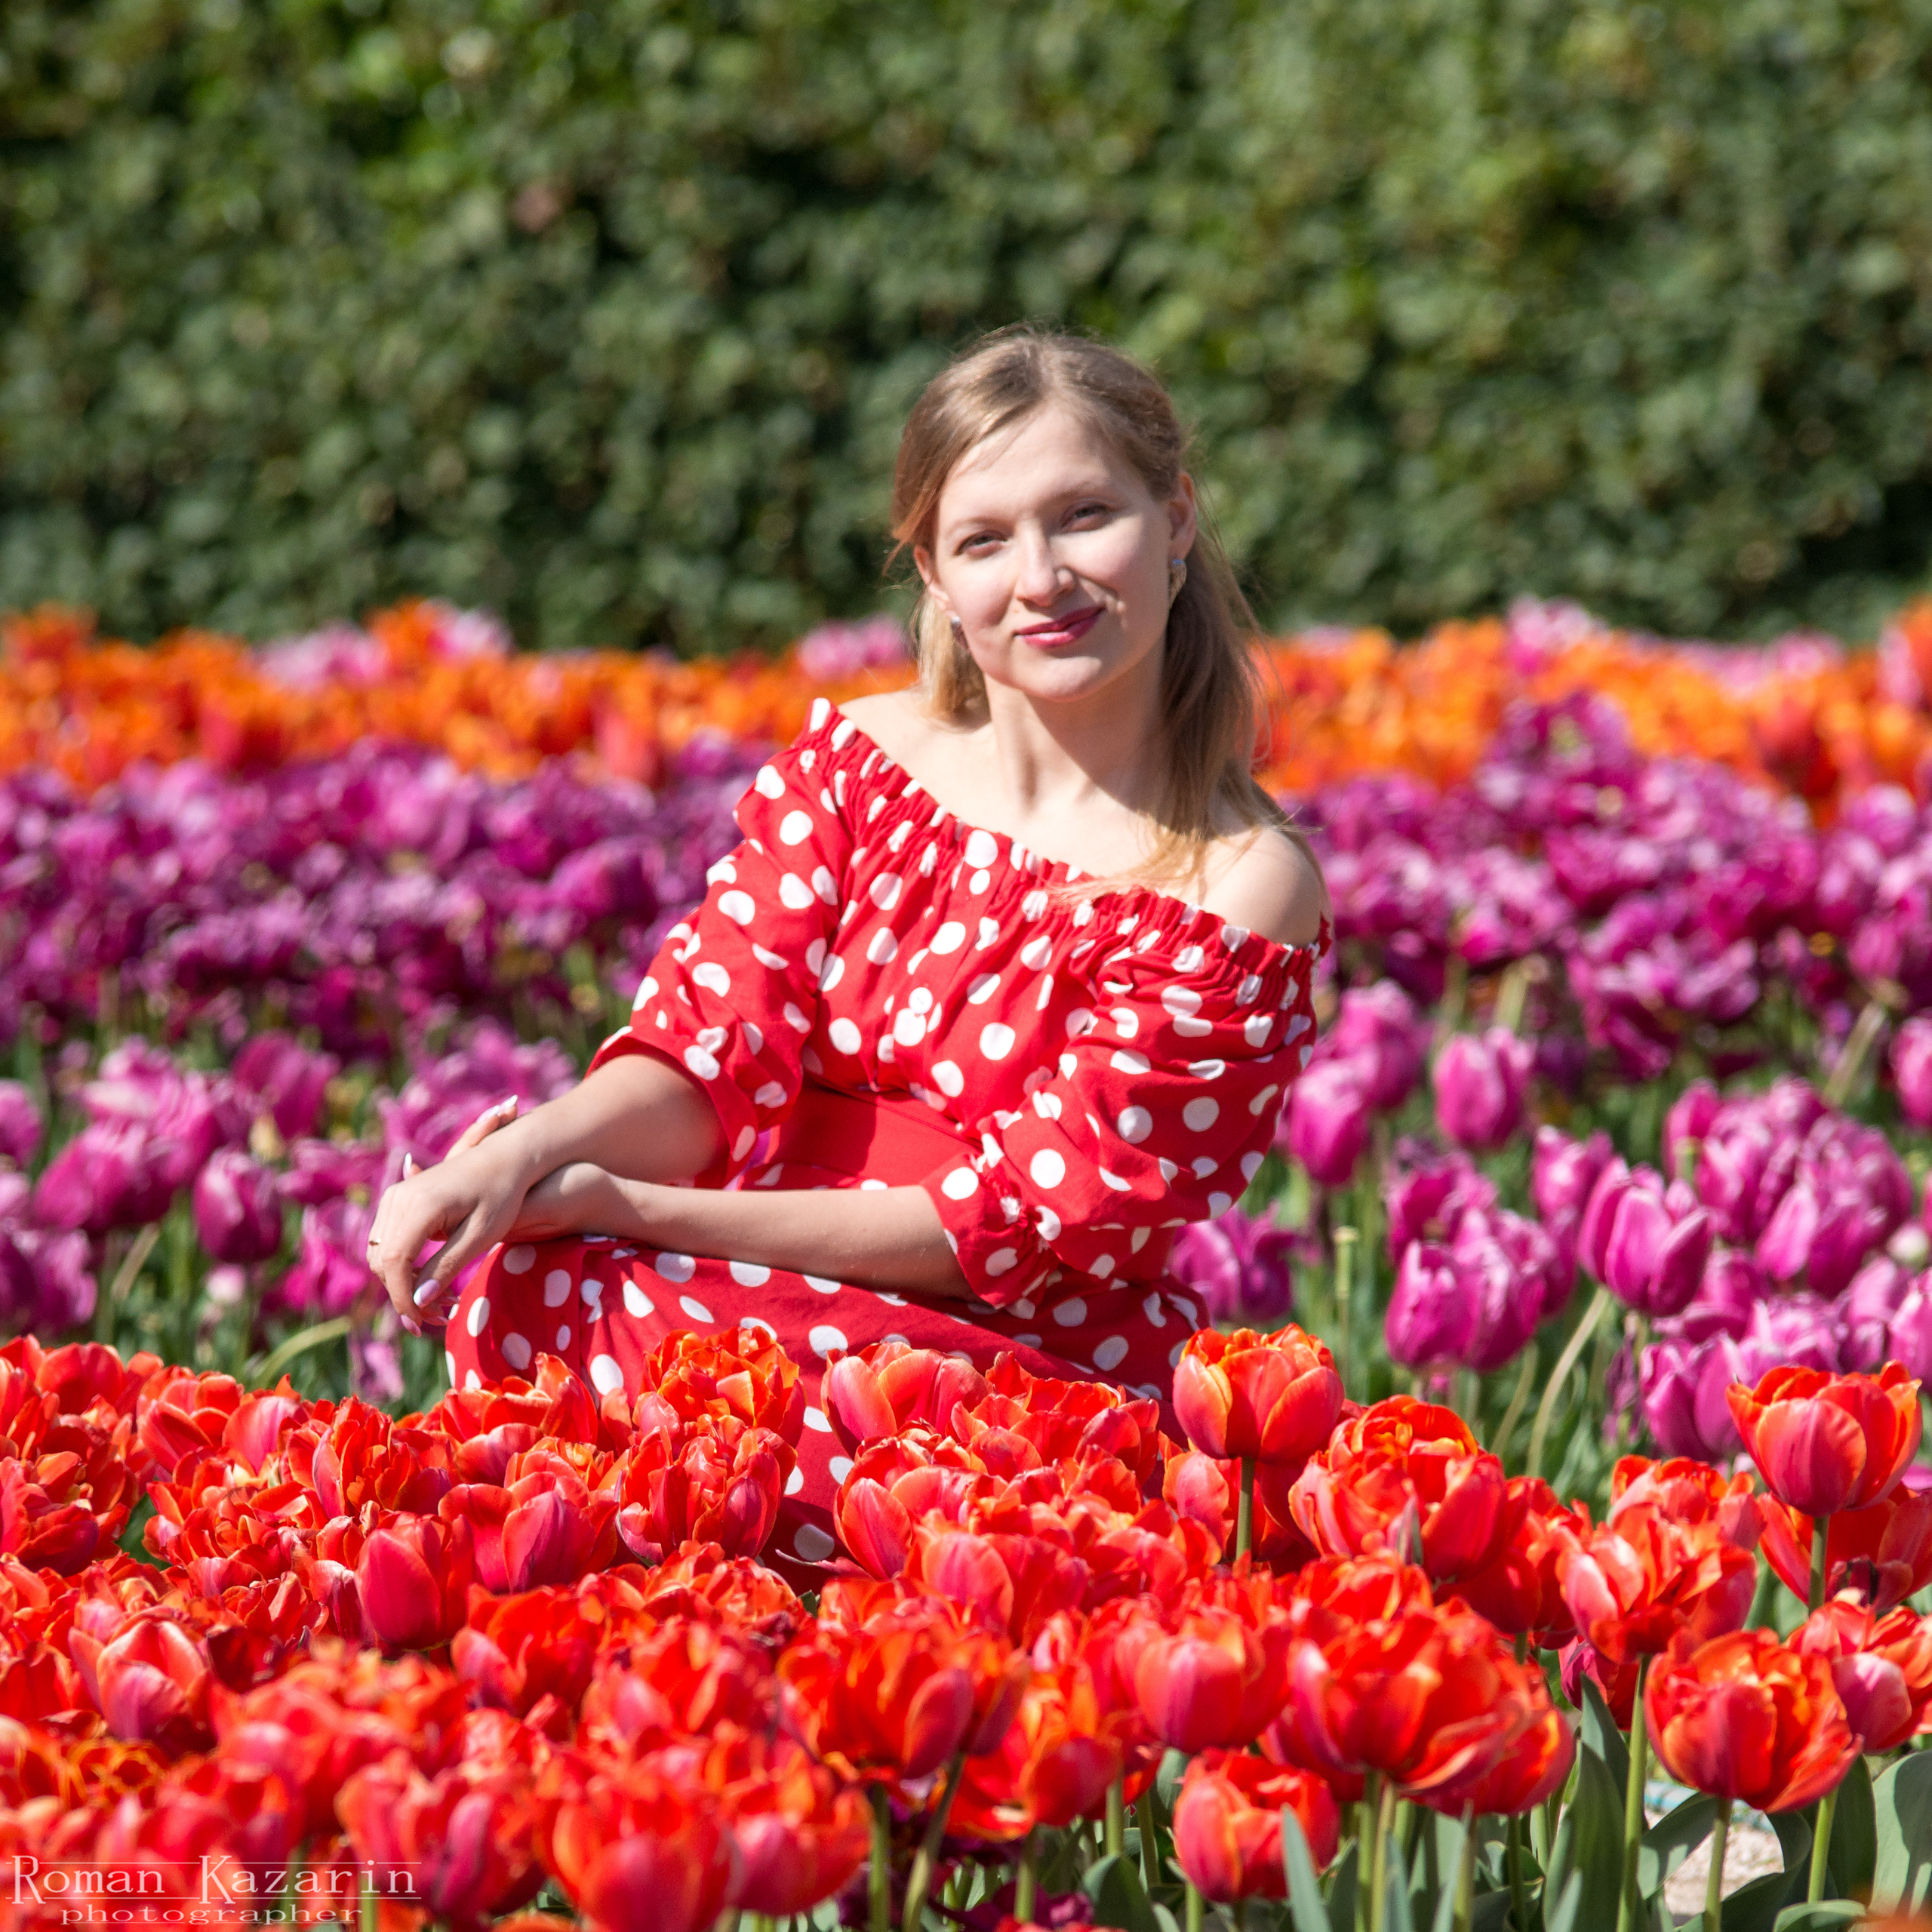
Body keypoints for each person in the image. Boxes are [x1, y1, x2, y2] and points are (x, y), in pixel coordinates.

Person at [366, 325, 1331, 1576]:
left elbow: (1013, 1230)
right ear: (933, 575)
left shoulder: (1240, 883)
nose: (1042, 578)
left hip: (1012, 1358)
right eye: (985, 540)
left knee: (710, 1360)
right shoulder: (862, 767)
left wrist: (645, 1214)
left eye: (1085, 516)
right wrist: (518, 1161)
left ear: (1177, 519)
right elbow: (700, 1065)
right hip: (739, 1295)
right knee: (535, 1275)